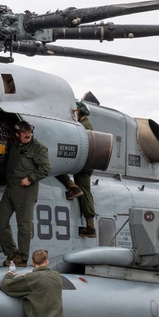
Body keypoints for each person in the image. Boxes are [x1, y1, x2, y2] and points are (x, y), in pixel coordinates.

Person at [0, 121, 51, 266]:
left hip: (26, 189)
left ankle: (23, 258)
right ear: (17, 134)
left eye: (29, 132)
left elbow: (46, 168)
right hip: (11, 187)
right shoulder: (15, 147)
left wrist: (30, 179)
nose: (28, 135)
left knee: (24, 224)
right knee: (0, 221)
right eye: (24, 132)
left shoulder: (38, 148)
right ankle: (12, 254)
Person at [62, 101, 97, 238]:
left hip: (83, 163)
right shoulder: (87, 126)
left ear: (79, 112)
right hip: (88, 164)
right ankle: (90, 225)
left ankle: (72, 186)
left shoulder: (81, 127)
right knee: (86, 192)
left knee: (55, 167)